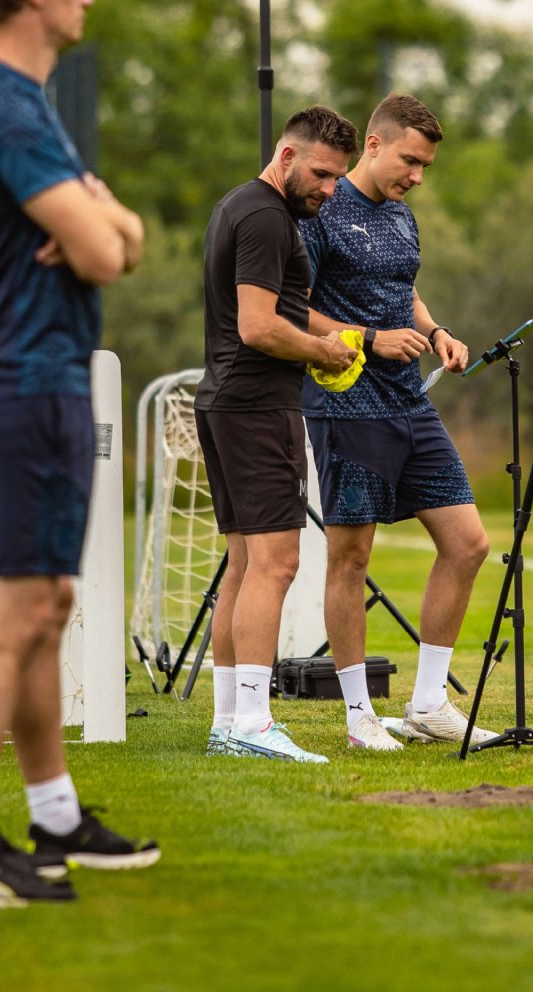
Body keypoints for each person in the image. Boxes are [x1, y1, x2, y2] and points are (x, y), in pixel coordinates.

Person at [0, 0, 154, 907]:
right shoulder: (5, 106)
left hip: (46, 376)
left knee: (45, 606)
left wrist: (103, 215)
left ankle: (40, 814)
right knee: (10, 613)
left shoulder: (28, 101)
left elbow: (121, 235)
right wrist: (99, 220)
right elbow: (106, 251)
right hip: (19, 381)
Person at [297, 93, 494, 751]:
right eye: (410, 160)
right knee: (350, 559)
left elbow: (402, 289)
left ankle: (429, 705)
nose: (417, 175)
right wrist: (368, 338)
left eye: (426, 166)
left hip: (410, 402)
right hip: (346, 404)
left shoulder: (403, 216)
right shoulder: (323, 211)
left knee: (467, 543)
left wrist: (435, 331)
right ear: (375, 145)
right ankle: (359, 719)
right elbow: (290, 310)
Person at [195, 106, 360, 763]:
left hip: (230, 402)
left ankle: (229, 722)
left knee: (243, 565)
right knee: (276, 563)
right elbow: (258, 326)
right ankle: (254, 726)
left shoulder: (242, 206)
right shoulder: (265, 215)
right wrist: (322, 350)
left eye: (338, 179)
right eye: (320, 173)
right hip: (255, 405)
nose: (328, 188)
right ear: (286, 157)